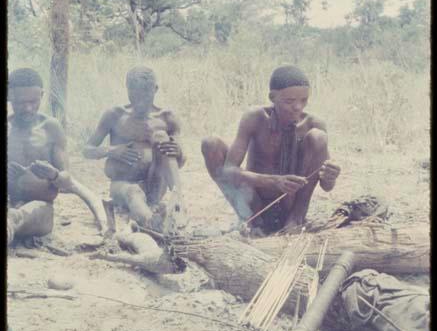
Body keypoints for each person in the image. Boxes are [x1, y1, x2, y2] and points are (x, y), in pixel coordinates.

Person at [201, 64, 341, 235]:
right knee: (210, 144)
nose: (298, 107)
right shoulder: (255, 118)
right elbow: (229, 172)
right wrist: (273, 181)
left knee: (319, 136)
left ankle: (295, 221)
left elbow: (327, 186)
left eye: (303, 100)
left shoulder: (314, 124)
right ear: (272, 97)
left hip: (292, 207)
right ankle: (252, 221)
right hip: (254, 202)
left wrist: (330, 175)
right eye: (289, 101)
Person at [83, 66, 185, 231]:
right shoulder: (115, 115)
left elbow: (179, 161)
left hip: (155, 183)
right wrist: (111, 150)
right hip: (123, 184)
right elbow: (87, 150)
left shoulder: (167, 118)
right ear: (127, 89)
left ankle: (179, 203)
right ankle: (152, 223)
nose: (140, 101)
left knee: (161, 137)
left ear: (156, 89)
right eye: (135, 95)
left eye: (145, 95)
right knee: (133, 192)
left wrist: (178, 151)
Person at [7, 68, 75, 244]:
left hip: (40, 210)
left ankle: (10, 224)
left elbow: (67, 182)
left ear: (42, 95)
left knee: (18, 217)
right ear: (9, 96)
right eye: (21, 103)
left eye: (34, 101)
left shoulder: (51, 128)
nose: (28, 108)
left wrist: (53, 174)